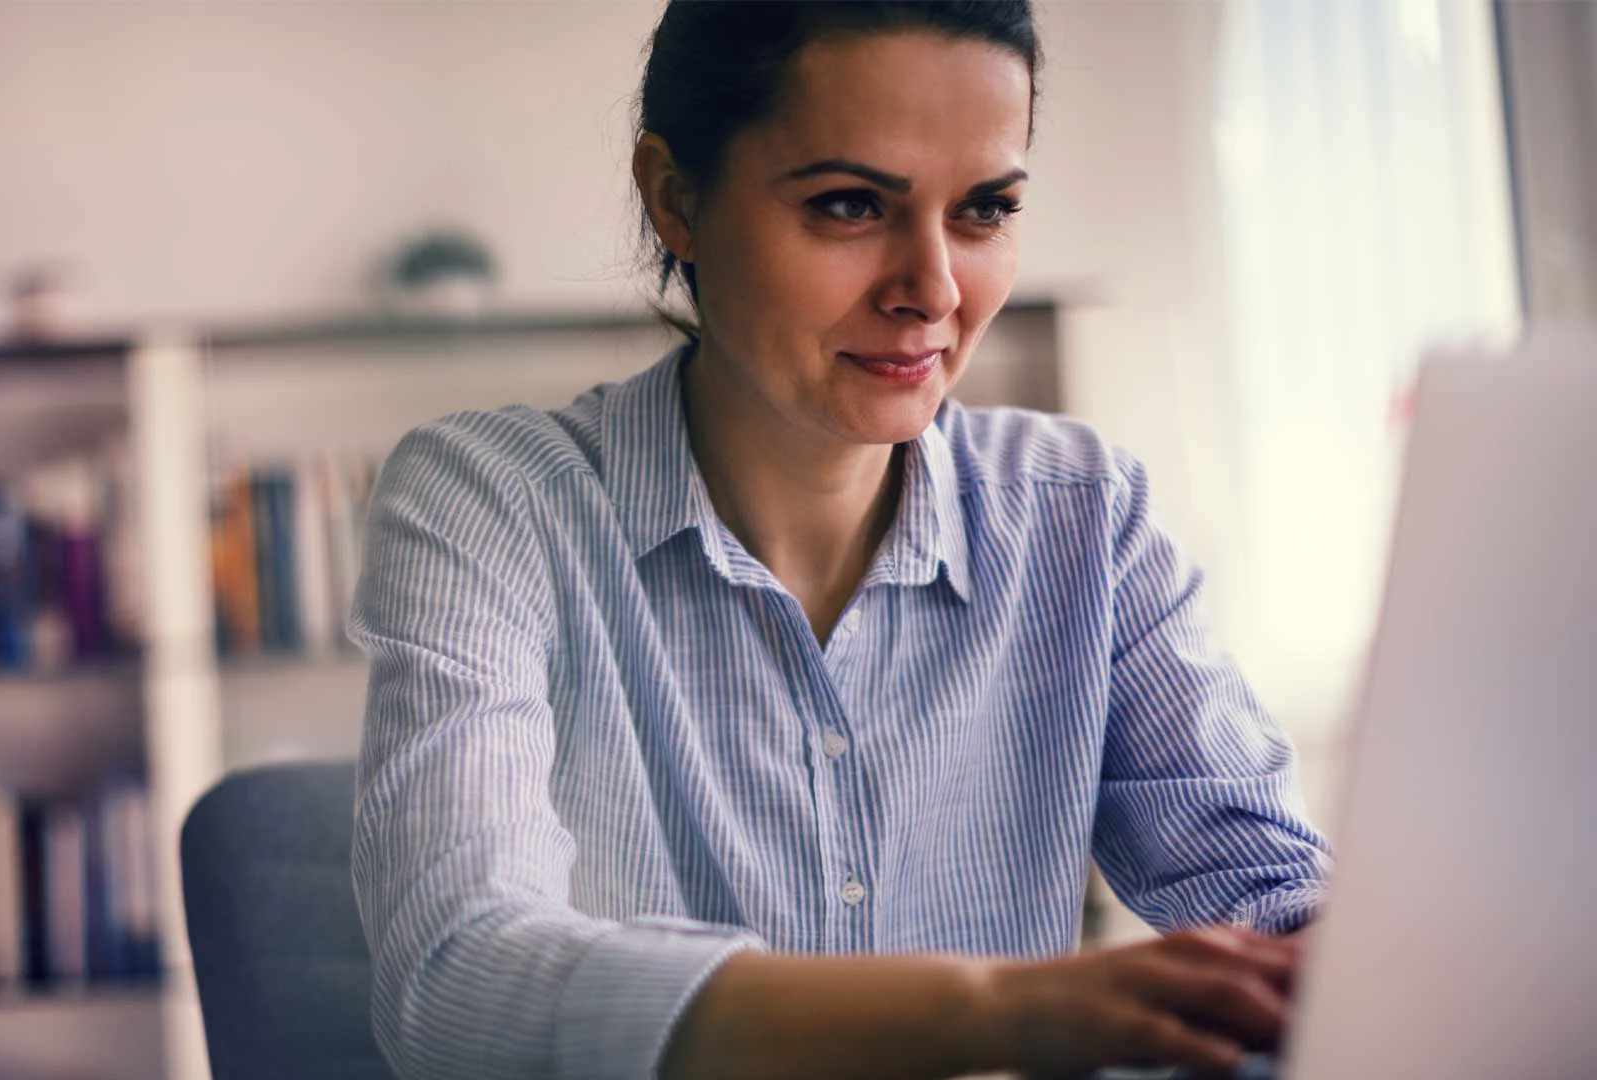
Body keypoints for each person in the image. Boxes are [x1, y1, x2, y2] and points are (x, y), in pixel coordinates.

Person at [348, 3, 1332, 1078]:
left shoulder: (1084, 515)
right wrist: (994, 1011)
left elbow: (1283, 907)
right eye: (850, 205)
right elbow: (459, 987)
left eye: (985, 209)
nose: (935, 292)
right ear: (675, 199)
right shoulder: (492, 504)